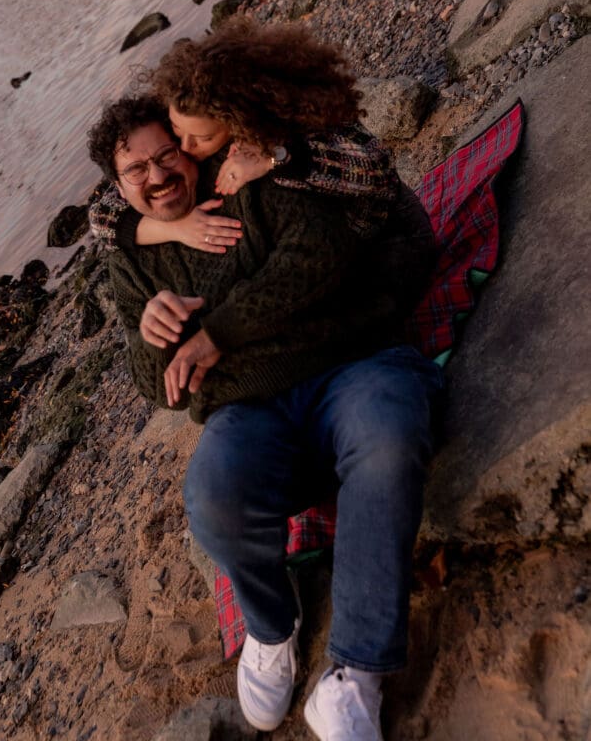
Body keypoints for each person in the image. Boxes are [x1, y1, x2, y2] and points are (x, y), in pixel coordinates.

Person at [87, 93, 444, 741]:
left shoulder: (251, 175)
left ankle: (354, 675)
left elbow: (317, 262)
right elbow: (161, 391)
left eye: (166, 154)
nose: (157, 175)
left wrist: (218, 331)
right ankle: (272, 629)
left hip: (349, 362)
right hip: (248, 408)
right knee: (213, 496)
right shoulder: (132, 257)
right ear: (116, 186)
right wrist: (150, 335)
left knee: (388, 439)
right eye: (135, 170)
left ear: (188, 145)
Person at [89, 17, 427, 267]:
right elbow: (102, 213)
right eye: (178, 132)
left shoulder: (296, 121)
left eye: (203, 138)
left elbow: (379, 172)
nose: (186, 148)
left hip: (389, 244)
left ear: (240, 123)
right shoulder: (190, 111)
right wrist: (177, 229)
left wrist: (275, 157)